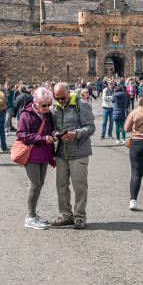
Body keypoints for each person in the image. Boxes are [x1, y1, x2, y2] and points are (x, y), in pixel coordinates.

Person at [50, 82, 95, 230]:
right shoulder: (55, 107)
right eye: (57, 98)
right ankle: (66, 215)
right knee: (61, 185)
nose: (60, 101)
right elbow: (52, 129)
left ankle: (80, 217)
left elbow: (90, 127)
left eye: (62, 98)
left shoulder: (81, 104)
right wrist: (54, 134)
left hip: (79, 152)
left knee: (79, 186)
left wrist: (75, 134)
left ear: (68, 93)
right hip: (62, 152)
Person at [16, 87, 56, 229]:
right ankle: (30, 216)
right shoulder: (26, 114)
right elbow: (21, 134)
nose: (46, 107)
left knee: (40, 184)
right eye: (43, 105)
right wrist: (42, 138)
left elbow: (51, 129)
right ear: (35, 102)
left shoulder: (48, 114)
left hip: (45, 154)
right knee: (34, 185)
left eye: (49, 104)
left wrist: (54, 134)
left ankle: (33, 214)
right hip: (31, 154)